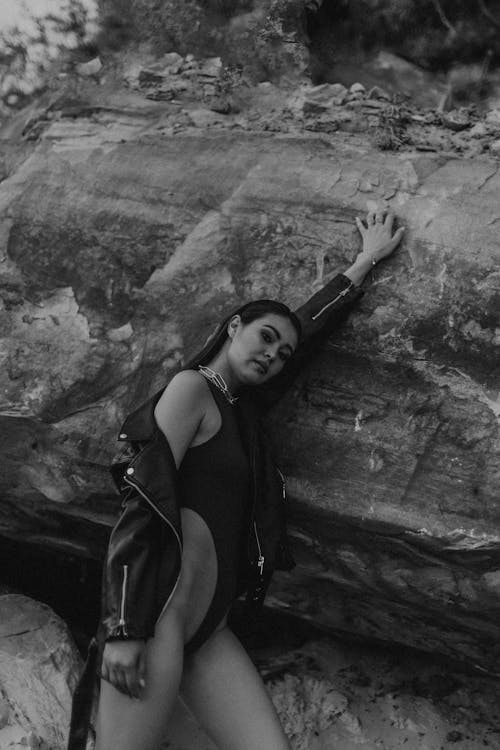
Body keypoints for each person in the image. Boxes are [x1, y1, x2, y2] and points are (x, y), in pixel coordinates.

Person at [67, 207, 405, 750]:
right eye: (265, 338)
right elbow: (141, 506)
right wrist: (126, 629)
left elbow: (306, 331)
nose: (273, 355)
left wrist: (363, 263)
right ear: (233, 328)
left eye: (282, 353)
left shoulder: (243, 412)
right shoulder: (190, 391)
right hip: (158, 622)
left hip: (209, 633)